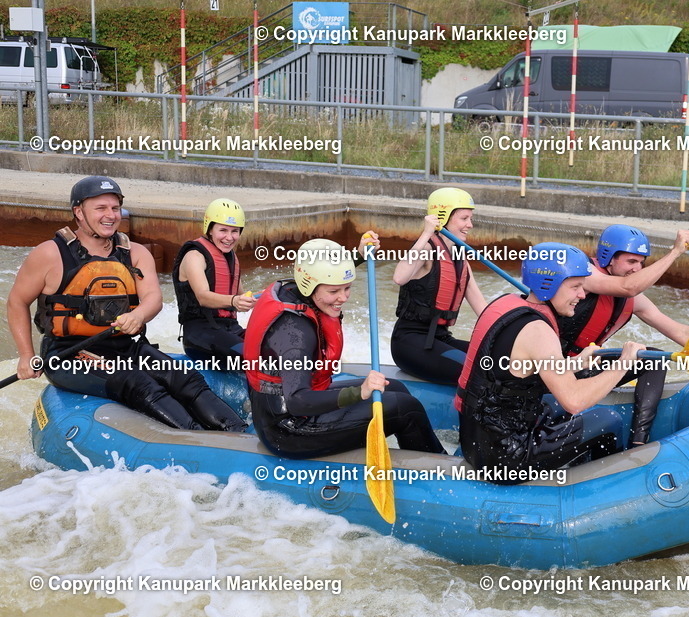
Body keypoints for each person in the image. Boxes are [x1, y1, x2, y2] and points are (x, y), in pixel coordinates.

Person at [6, 175, 246, 431]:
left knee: (184, 378)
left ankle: (236, 431)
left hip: (126, 347)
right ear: (78, 212)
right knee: (137, 382)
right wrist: (25, 356)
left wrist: (139, 316)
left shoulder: (136, 253)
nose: (110, 215)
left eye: (115, 208)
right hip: (70, 353)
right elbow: (17, 302)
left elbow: (153, 298)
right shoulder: (49, 254)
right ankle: (195, 438)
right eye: (100, 208)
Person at [456, 242, 646, 483]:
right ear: (550, 284)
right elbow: (575, 401)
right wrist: (624, 363)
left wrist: (575, 363)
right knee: (608, 419)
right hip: (505, 459)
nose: (582, 295)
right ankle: (603, 487)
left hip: (476, 439)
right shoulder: (538, 330)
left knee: (552, 406)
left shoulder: (507, 303)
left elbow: (516, 368)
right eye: (576, 286)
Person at [244, 238, 447, 459]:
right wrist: (358, 393)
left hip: (292, 406)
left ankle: (411, 456)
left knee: (393, 387)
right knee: (405, 408)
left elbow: (327, 276)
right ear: (309, 285)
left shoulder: (298, 289)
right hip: (287, 428)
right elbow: (298, 401)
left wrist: (358, 255)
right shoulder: (295, 335)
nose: (343, 298)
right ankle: (438, 471)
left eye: (347, 288)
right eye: (334, 292)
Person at [558, 224, 689, 446]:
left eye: (641, 263)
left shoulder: (633, 299)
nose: (638, 268)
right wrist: (675, 252)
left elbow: (679, 330)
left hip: (586, 366)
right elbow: (628, 287)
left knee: (653, 359)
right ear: (609, 258)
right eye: (631, 262)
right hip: (555, 367)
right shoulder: (584, 274)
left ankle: (638, 442)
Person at [391, 187, 487, 385]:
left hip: (441, 339)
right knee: (475, 371)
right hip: (410, 342)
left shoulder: (460, 257)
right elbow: (399, 277)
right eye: (464, 218)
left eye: (470, 218)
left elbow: (482, 308)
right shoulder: (426, 248)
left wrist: (512, 332)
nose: (470, 225)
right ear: (443, 217)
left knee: (494, 362)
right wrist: (426, 233)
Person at [172, 197, 254, 364]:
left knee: (275, 347)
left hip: (231, 330)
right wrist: (235, 301)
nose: (229, 237)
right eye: (223, 230)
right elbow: (203, 296)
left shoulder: (231, 257)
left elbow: (242, 296)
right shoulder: (194, 256)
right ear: (209, 229)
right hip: (200, 334)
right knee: (252, 357)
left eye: (235, 231)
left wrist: (269, 297)